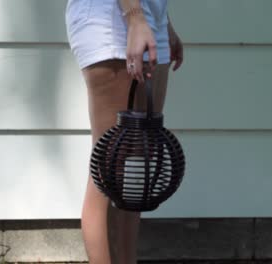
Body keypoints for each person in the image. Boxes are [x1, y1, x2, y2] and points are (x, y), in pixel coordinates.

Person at [65, 0, 183, 263]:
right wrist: (135, 17)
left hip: (149, 17)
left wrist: (164, 22)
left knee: (134, 161)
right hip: (113, 16)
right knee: (109, 167)